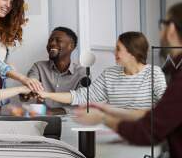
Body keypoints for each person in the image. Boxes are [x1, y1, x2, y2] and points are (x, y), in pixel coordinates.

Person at [74, 2, 182, 158]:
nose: (114, 53)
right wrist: (108, 110)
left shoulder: (163, 74)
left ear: (172, 29)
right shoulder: (110, 74)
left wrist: (103, 118)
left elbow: (149, 130)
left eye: (163, 24)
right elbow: (160, 115)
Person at [37, 32, 167, 109]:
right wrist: (47, 95)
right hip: (117, 131)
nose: (114, 52)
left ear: (132, 52)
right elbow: (82, 96)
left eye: (118, 49)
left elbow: (168, 106)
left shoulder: (153, 73)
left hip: (144, 133)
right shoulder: (110, 74)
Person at [22, 26, 85, 108]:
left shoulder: (82, 73)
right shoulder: (38, 67)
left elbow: (82, 101)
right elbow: (26, 93)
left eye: (58, 41)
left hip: (71, 119)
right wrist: (27, 93)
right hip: (43, 119)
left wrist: (52, 112)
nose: (52, 43)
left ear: (71, 46)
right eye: (50, 41)